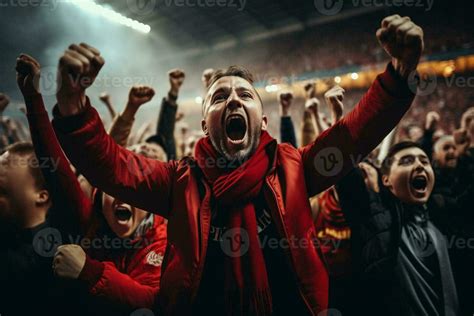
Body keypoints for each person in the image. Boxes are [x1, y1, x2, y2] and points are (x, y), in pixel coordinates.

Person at [51, 15, 424, 315]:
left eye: (245, 94)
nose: (233, 100)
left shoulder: (292, 167)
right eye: (219, 97)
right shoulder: (179, 181)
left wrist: (400, 73)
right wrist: (71, 105)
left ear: (262, 121)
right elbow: (109, 167)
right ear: (204, 123)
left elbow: (354, 136)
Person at [15, 53, 168, 315]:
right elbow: (57, 170)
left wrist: (89, 271)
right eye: (116, 188)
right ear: (99, 192)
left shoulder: (162, 235)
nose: (124, 197)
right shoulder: (89, 218)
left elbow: (153, 299)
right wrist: (33, 98)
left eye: (135, 190)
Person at [336, 141, 473, 315]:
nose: (419, 165)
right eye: (406, 161)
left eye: (424, 161)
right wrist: (343, 142)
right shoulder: (378, 220)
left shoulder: (443, 217)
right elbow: (351, 186)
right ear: (386, 180)